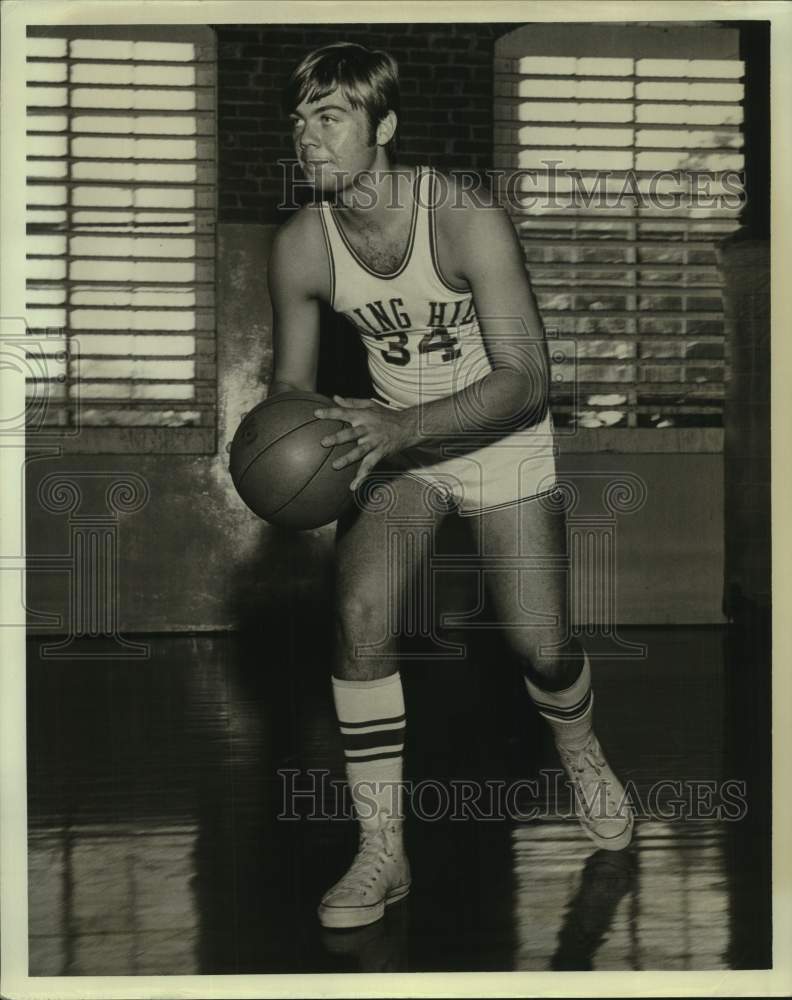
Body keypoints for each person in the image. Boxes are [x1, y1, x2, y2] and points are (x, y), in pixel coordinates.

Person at [268, 41, 634, 931]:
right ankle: (382, 851)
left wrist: (402, 425)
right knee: (358, 615)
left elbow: (525, 379)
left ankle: (580, 748)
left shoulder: (464, 217)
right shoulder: (300, 247)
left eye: (331, 118)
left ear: (383, 126)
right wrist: (291, 446)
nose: (308, 139)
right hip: (400, 451)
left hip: (499, 435)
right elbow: (290, 388)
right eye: (300, 121)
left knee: (540, 644)